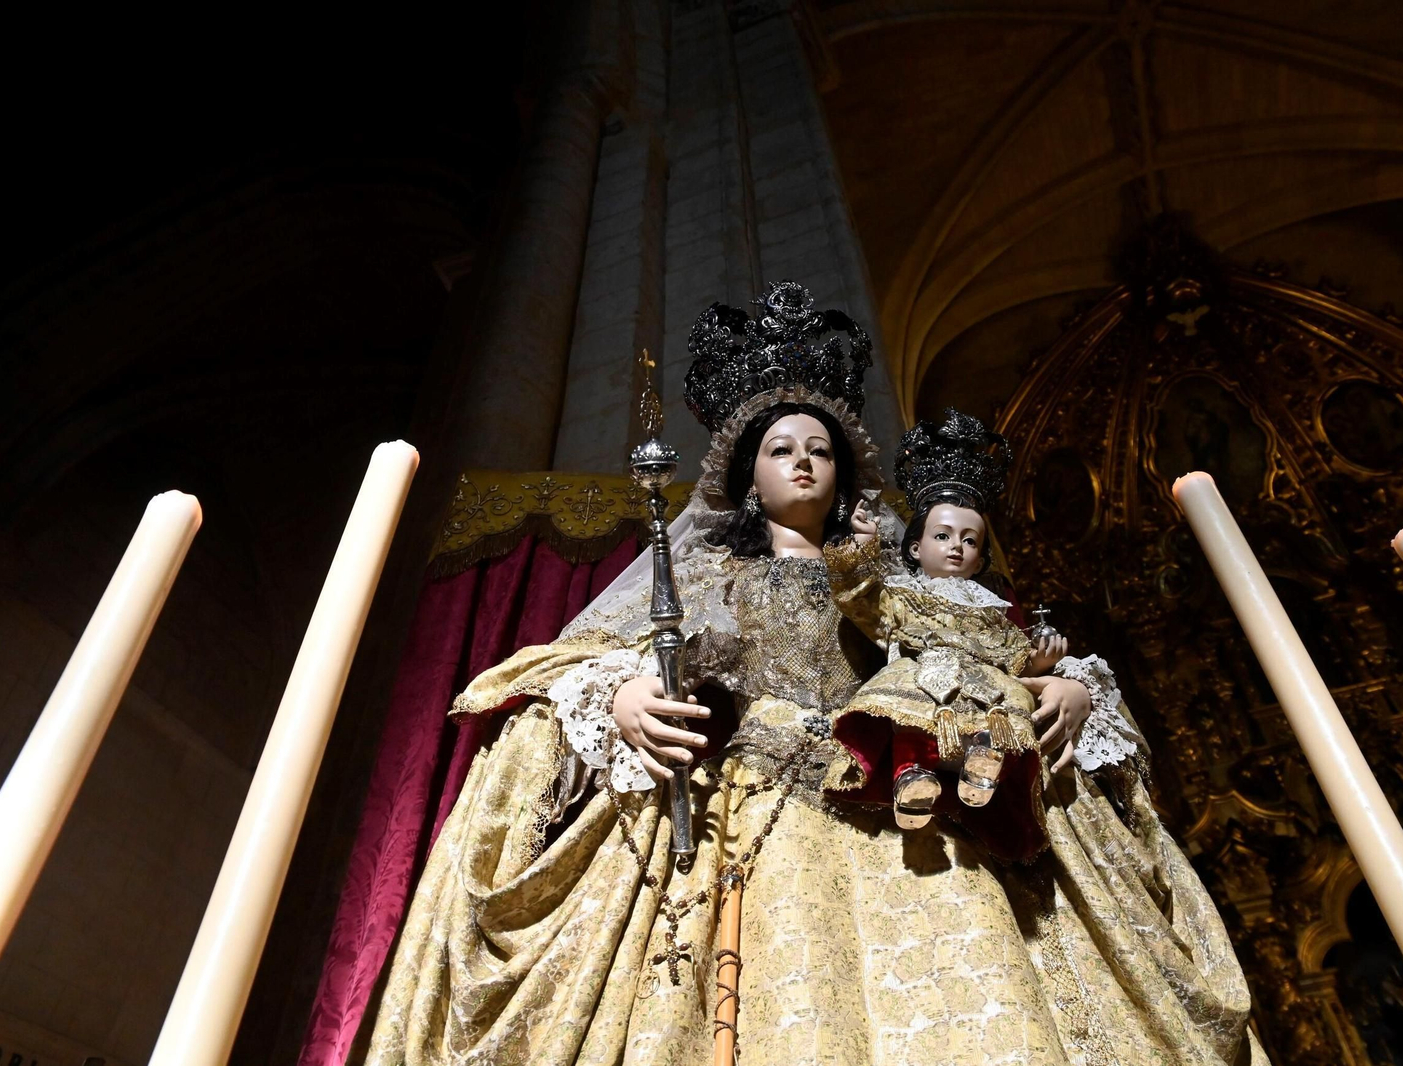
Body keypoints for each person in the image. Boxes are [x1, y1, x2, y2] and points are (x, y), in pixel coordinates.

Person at [364, 282, 1268, 1065]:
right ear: (748, 477)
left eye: (822, 448)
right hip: (756, 817)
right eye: (780, 447)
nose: (803, 459)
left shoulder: (892, 582)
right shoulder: (710, 574)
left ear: (846, 472)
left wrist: (1067, 686)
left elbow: (986, 652)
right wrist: (626, 693)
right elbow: (587, 660)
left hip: (905, 807)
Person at [821, 410, 1135, 862]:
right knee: (912, 716)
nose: (956, 546)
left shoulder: (991, 609)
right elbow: (865, 602)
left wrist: (1042, 663)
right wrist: (860, 551)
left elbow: (1012, 653)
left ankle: (982, 771)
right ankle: (910, 775)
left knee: (998, 714)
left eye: (969, 541)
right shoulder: (904, 595)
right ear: (915, 546)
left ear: (981, 556)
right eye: (943, 535)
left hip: (983, 682)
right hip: (923, 673)